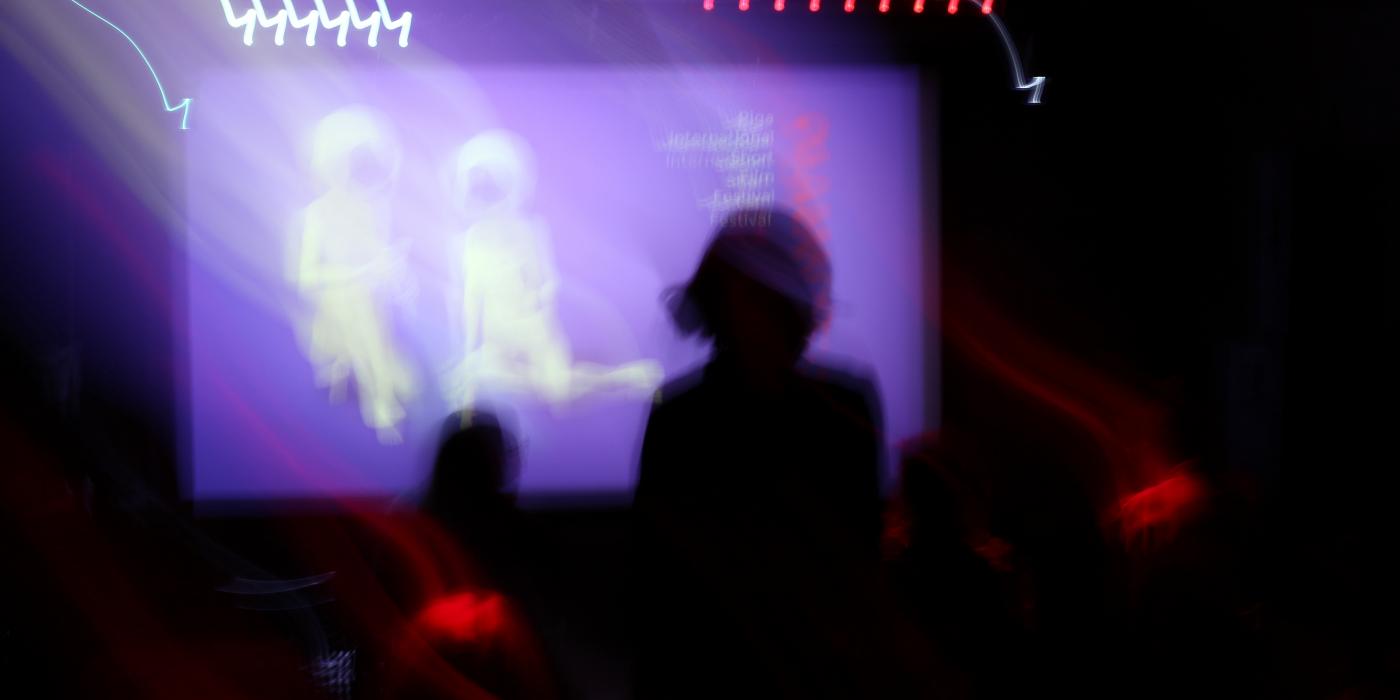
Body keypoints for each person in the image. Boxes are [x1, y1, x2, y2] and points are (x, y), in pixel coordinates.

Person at [631, 208, 905, 698]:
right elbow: (662, 573)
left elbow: (660, 577)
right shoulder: (843, 406)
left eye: (765, 293)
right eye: (750, 292)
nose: (757, 309)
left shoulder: (680, 415)